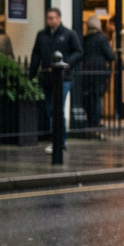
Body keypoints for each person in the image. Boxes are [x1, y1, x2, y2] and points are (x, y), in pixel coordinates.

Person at [29, 8, 84, 154]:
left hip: (63, 78)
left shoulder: (69, 34)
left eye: (53, 18)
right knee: (50, 110)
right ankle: (58, 141)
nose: (50, 20)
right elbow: (36, 53)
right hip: (47, 78)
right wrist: (32, 73)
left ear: (59, 18)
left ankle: (59, 142)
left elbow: (79, 52)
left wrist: (65, 64)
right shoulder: (42, 35)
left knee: (57, 109)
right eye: (48, 18)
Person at [81, 16, 115, 135]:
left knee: (88, 96)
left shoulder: (85, 39)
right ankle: (97, 121)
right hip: (99, 70)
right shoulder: (102, 37)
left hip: (86, 70)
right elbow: (110, 55)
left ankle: (89, 121)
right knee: (97, 96)